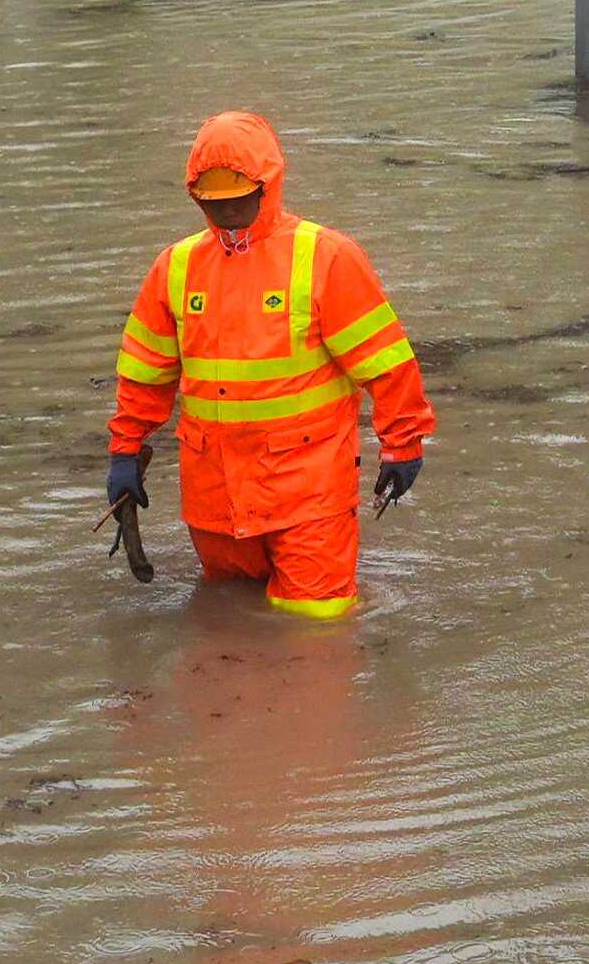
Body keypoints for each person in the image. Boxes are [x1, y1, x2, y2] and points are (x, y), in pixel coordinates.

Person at [106, 111, 433, 621]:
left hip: (308, 493)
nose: (228, 213)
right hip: (214, 497)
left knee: (318, 627)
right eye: (213, 203)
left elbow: (386, 362)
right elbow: (145, 372)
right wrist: (125, 452)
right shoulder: (176, 267)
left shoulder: (325, 257)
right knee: (228, 624)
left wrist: (403, 443)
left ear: (268, 185)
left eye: (239, 199)